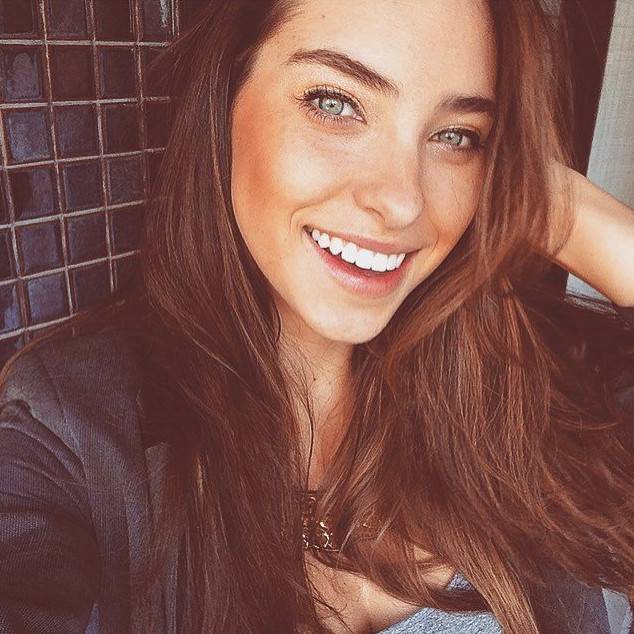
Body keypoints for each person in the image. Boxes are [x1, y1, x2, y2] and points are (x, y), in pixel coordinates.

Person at [0, 0, 633, 632]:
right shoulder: (66, 440)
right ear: (223, 101)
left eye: (456, 136)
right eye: (335, 103)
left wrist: (561, 207)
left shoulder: (533, 390)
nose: (402, 202)